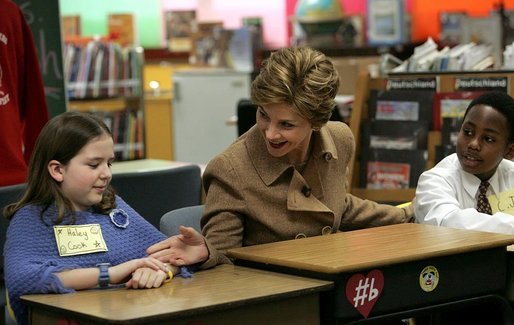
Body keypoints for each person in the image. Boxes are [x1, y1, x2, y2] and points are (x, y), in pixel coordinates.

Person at [147, 46, 414, 268]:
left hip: (334, 276)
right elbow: (223, 257)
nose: (271, 134)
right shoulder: (230, 168)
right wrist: (207, 252)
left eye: (286, 124)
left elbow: (338, 205)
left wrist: (410, 214)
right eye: (263, 115)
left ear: (316, 122)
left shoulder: (339, 139)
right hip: (278, 295)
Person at [4, 111, 180, 324]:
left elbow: (171, 254)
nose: (106, 174)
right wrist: (111, 274)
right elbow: (22, 279)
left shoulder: (114, 209)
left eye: (109, 163)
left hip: (126, 314)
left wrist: (161, 272)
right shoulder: (31, 219)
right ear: (58, 170)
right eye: (94, 165)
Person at [415, 91, 514, 234]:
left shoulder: (511, 174)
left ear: (510, 151)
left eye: (488, 139)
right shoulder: (434, 180)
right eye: (467, 132)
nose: (473, 144)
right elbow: (448, 223)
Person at [0, 0, 49, 186]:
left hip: (11, 177)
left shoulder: (8, 12)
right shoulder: (8, 10)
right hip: (13, 176)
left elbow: (33, 100)